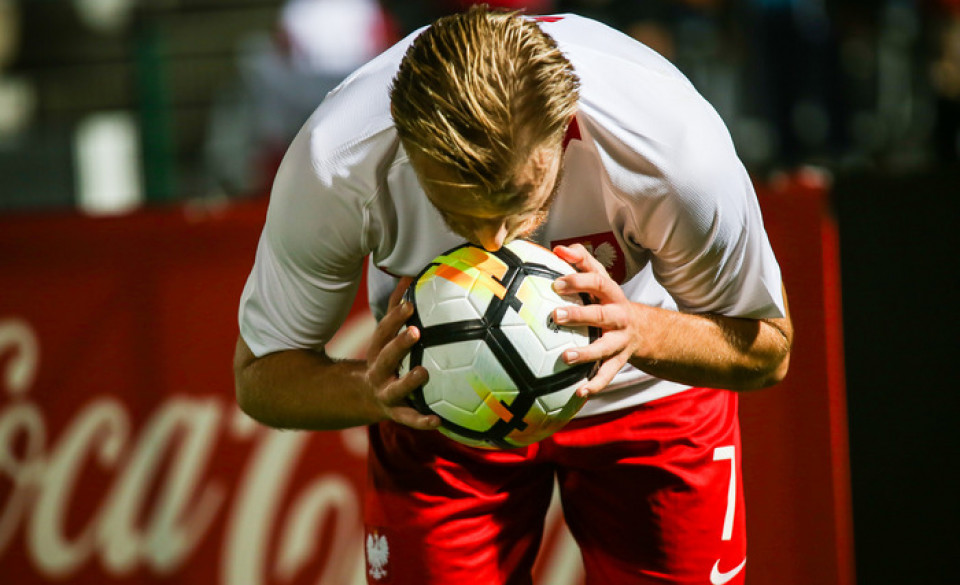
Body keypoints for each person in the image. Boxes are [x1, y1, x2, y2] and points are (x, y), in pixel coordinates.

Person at [234, 6, 793, 585]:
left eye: (517, 202)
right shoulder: (336, 158)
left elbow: (769, 349)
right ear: (406, 147)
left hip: (650, 392)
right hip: (440, 412)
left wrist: (641, 331)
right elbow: (259, 377)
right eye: (456, 211)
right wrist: (367, 390)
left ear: (565, 126)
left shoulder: (671, 147)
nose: (494, 242)